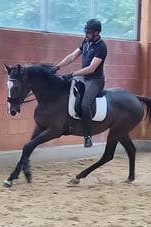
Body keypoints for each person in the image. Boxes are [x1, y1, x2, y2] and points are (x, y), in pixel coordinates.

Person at [52, 19, 107, 148]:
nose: (86, 35)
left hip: (95, 81)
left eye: (88, 33)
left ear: (96, 33)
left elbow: (91, 68)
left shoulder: (101, 47)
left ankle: (88, 136)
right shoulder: (85, 42)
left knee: (85, 104)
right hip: (84, 78)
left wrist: (72, 74)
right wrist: (57, 67)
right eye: (85, 32)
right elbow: (72, 56)